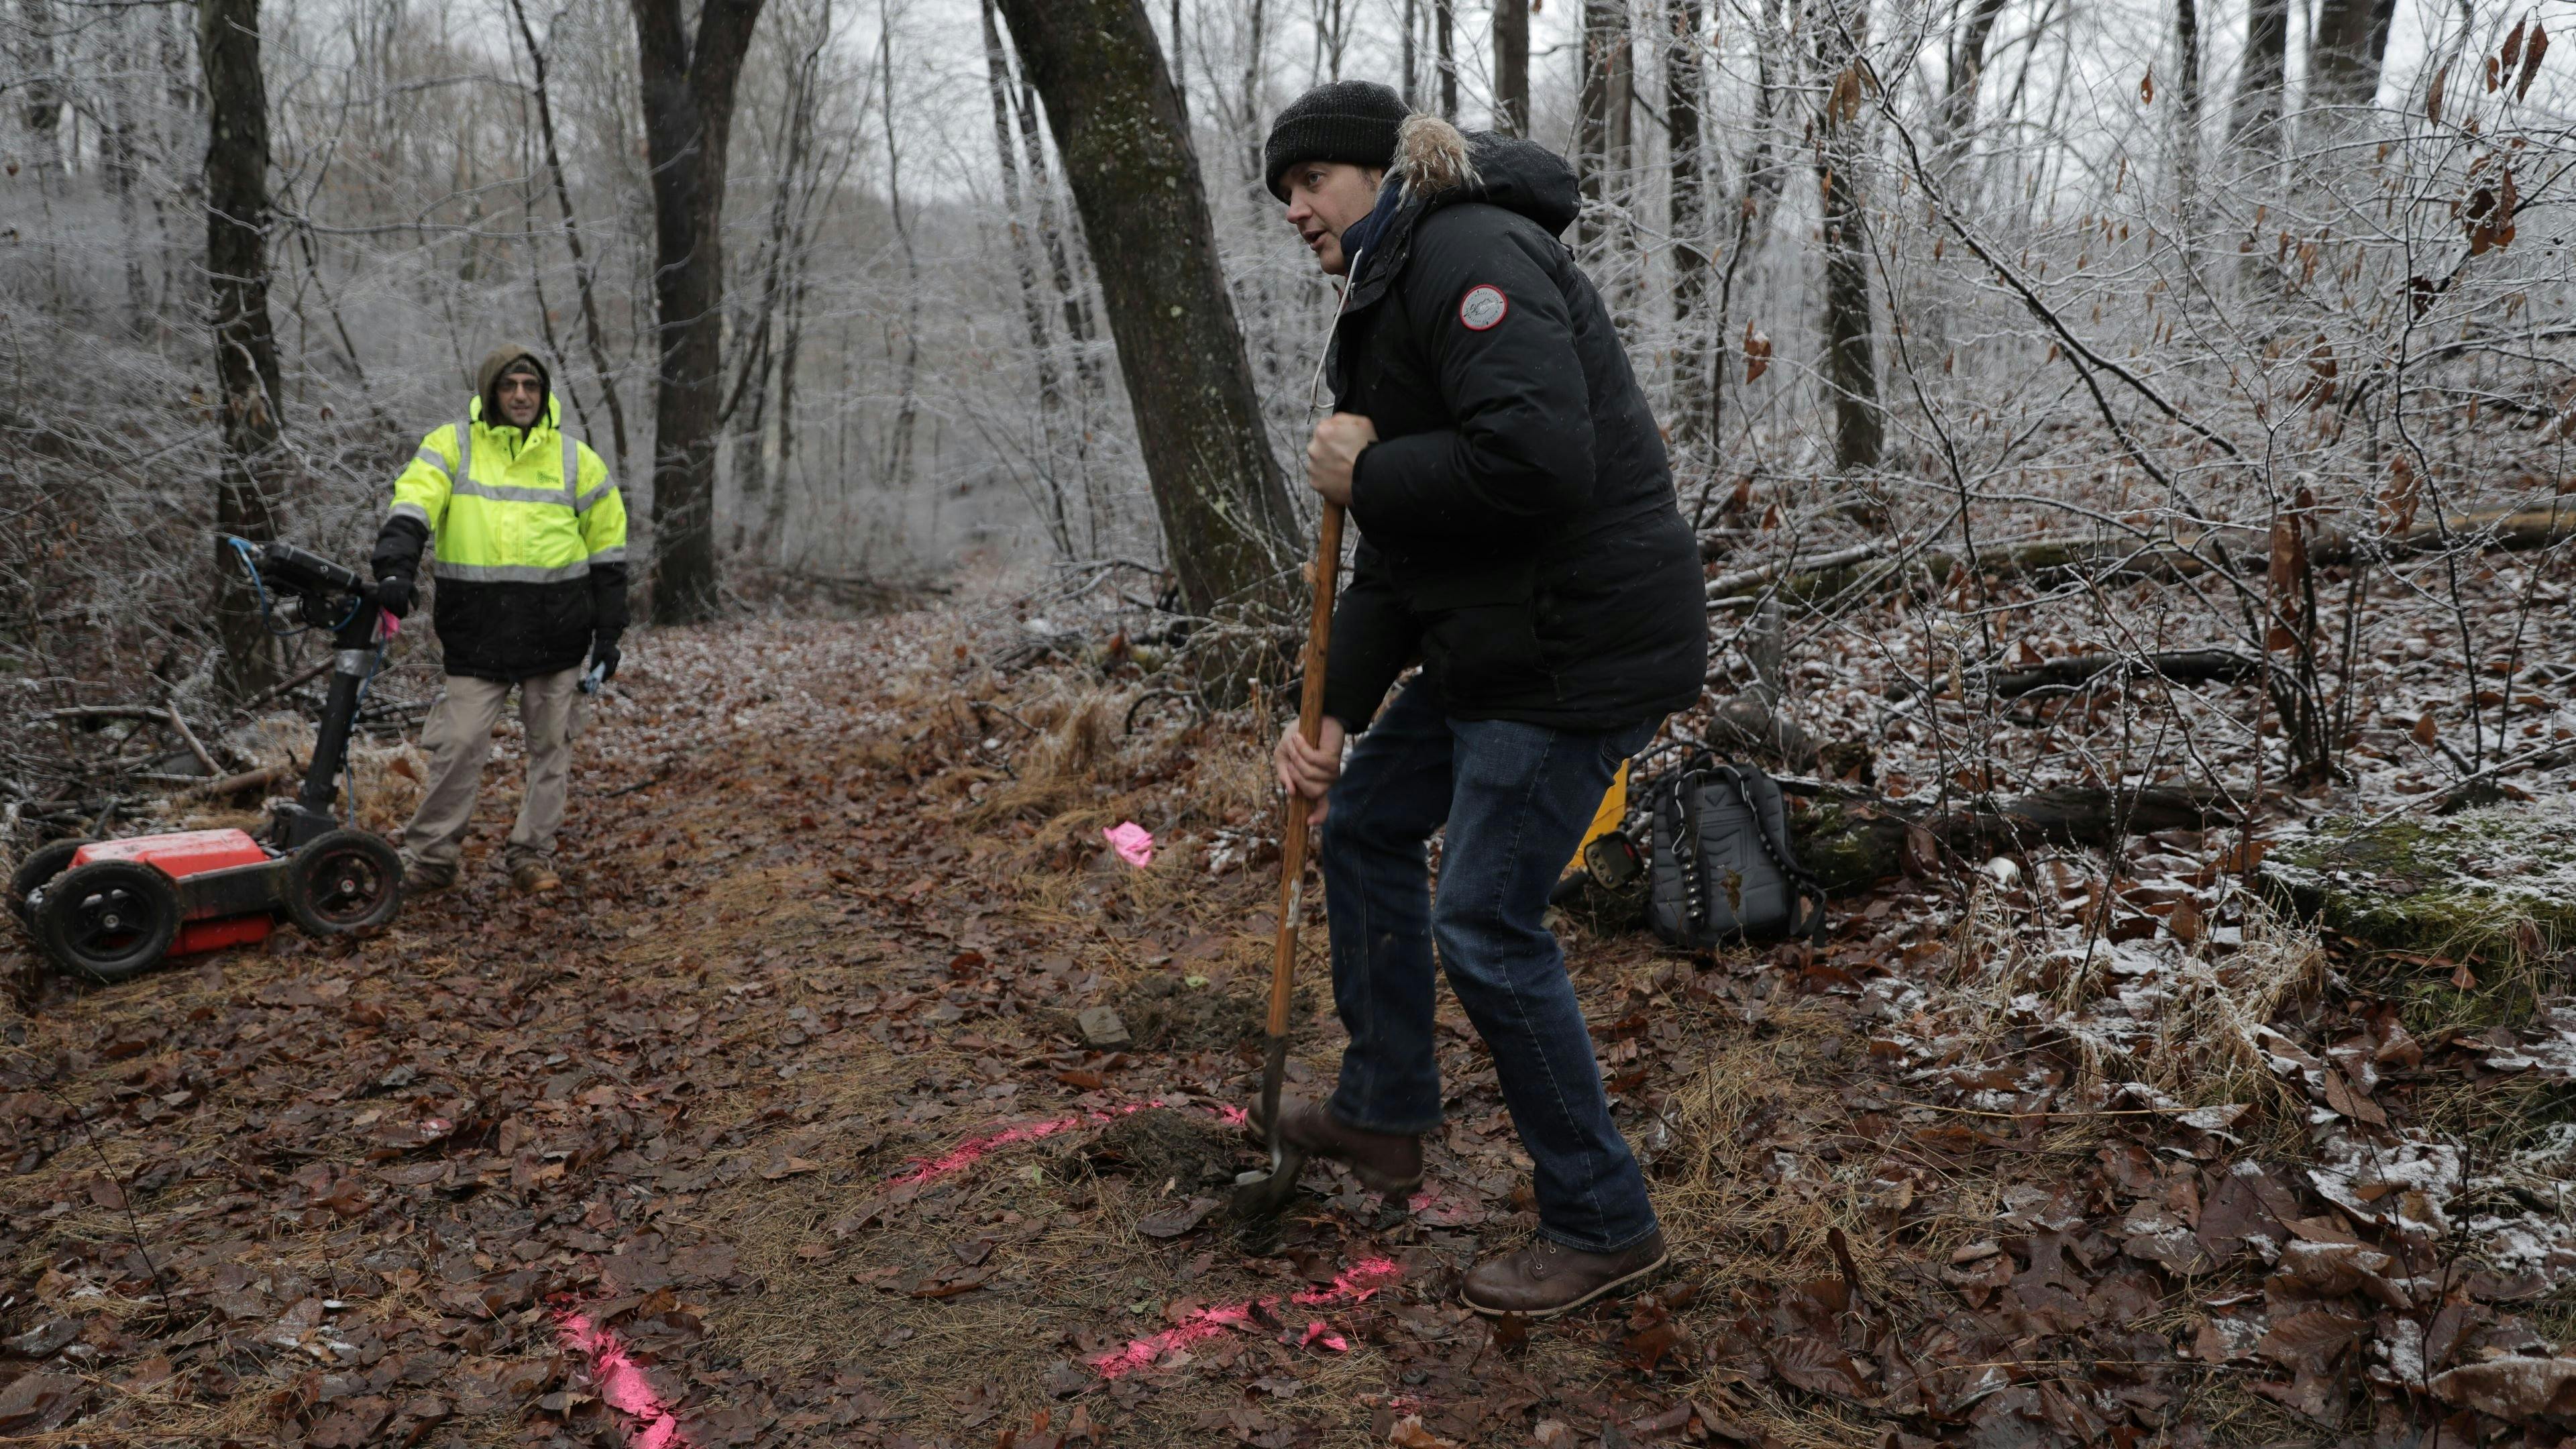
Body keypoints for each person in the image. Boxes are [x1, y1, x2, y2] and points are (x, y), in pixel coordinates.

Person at [1260, 82, 1709, 1318]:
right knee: (1359, 824)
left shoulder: (1469, 250)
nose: (1295, 209)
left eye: (1309, 182)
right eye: (1282, 194)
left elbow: (1537, 462)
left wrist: (1372, 466)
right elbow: (1411, 553)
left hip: (1578, 651)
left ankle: (1605, 1222)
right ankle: (1384, 1113)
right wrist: (1335, 716)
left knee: (1486, 924)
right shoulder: (1387, 285)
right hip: (1495, 642)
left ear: (1372, 169)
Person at [368, 343, 628, 895]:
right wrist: (396, 568)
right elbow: (413, 504)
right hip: (476, 634)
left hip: (557, 632)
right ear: (490, 391)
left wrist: (609, 635)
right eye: (510, 386)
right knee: (458, 746)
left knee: (552, 749)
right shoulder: (451, 448)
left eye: (531, 387)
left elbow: (608, 554)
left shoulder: (578, 460)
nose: (521, 396)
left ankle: (531, 854)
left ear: (545, 394)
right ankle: (434, 860)